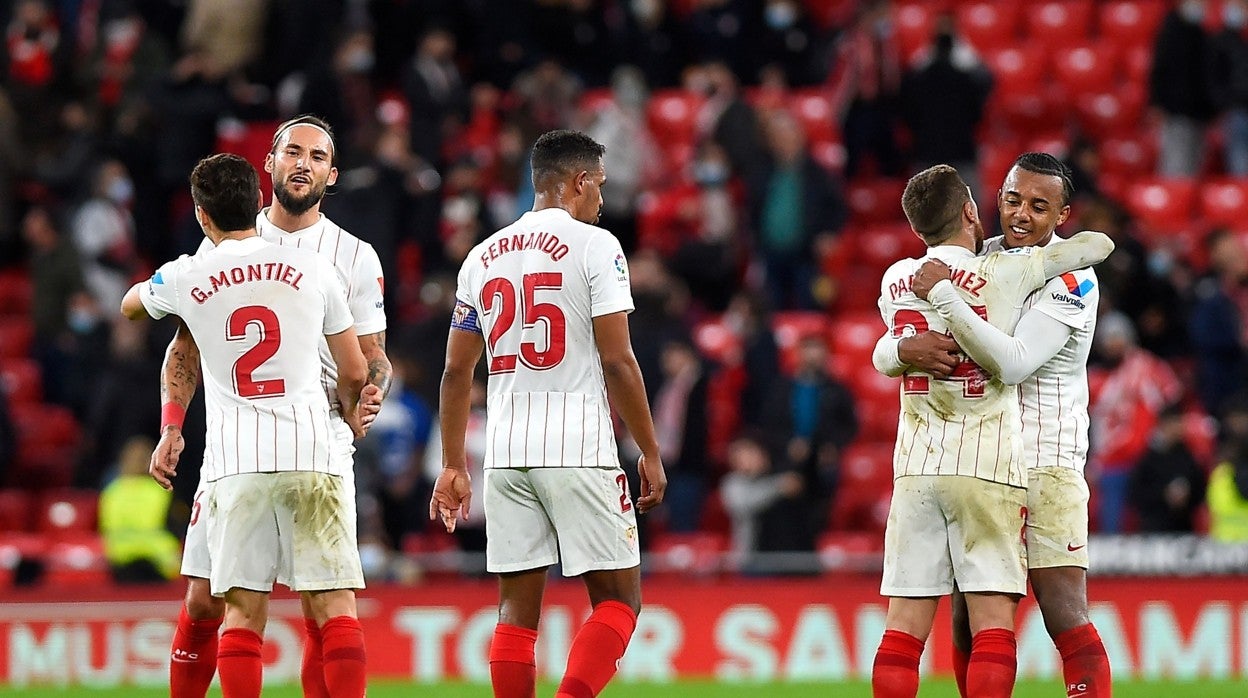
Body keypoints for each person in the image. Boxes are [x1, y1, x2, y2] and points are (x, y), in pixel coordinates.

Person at [149, 116, 392, 698]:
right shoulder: (225, 238)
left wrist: (372, 391)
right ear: (271, 165)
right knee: (205, 599)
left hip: (322, 436)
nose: (302, 163)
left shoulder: (355, 257)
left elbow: (374, 355)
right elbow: (183, 347)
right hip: (233, 444)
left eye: (316, 156)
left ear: (332, 175)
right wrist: (173, 424)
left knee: (315, 602)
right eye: (292, 152)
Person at [429, 129, 667, 698]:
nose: (603, 201)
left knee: (516, 612)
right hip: (577, 444)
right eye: (600, 187)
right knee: (618, 601)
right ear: (579, 182)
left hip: (507, 452)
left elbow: (457, 372)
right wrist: (650, 451)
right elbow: (619, 359)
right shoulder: (596, 246)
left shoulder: (480, 257)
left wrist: (452, 463)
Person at [867, 164, 1114, 698]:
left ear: (1062, 216)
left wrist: (942, 306)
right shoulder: (980, 259)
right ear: (989, 202)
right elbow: (899, 338)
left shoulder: (1071, 276)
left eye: (1039, 206)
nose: (1022, 213)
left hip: (1045, 459)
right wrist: (898, 350)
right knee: (968, 618)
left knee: (1063, 612)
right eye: (1013, 199)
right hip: (983, 462)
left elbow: (1018, 364)